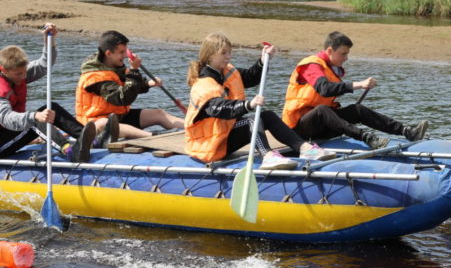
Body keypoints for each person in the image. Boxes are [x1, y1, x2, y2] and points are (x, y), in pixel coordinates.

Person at [184, 32, 335, 170]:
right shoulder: (203, 85)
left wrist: (262, 61)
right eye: (223, 53)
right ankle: (268, 156)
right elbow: (221, 109)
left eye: (229, 52)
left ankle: (303, 148)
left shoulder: (226, 72)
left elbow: (251, 76)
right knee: (252, 121)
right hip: (209, 144)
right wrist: (248, 104)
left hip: (223, 135)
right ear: (210, 55)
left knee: (267, 115)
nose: (228, 56)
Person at [0, 24, 96, 163]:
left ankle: (91, 141)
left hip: (7, 133)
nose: (23, 77)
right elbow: (7, 119)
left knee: (52, 108)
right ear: (4, 70)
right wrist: (35, 116)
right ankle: (69, 152)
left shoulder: (16, 72)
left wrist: (49, 41)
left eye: (24, 72)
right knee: (36, 121)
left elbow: (43, 65)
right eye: (19, 74)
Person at [282, 31, 429, 149]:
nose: (346, 58)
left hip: (320, 124)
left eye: (347, 53)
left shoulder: (332, 69)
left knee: (356, 110)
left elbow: (331, 91)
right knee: (322, 110)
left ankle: (407, 131)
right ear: (329, 51)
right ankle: (367, 138)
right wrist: (358, 84)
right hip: (297, 128)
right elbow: (324, 89)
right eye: (343, 53)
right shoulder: (311, 65)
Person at [75, 30, 184, 142]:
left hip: (119, 117)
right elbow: (123, 98)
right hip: (95, 125)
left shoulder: (115, 66)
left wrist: (147, 84)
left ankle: (192, 128)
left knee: (158, 113)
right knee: (104, 123)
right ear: (108, 54)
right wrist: (134, 70)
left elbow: (131, 85)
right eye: (121, 52)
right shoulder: (94, 77)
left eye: (125, 52)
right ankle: (152, 136)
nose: (126, 56)